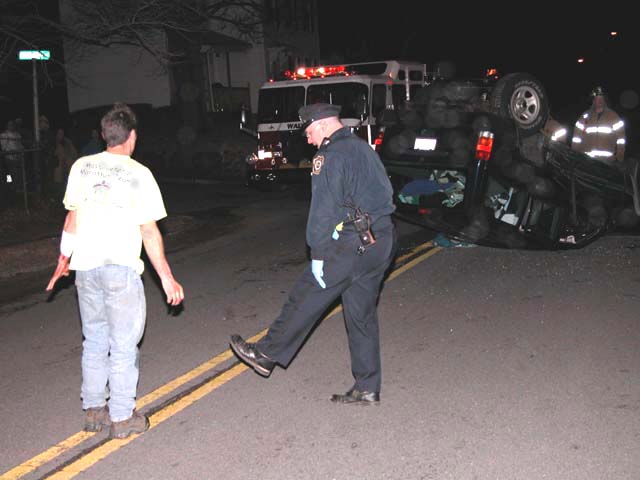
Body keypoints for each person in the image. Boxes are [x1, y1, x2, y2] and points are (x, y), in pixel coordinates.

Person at [230, 103, 397, 405]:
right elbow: (385, 192)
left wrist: (318, 252)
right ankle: (367, 387)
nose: (307, 140)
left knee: (305, 295)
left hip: (352, 244)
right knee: (361, 316)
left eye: (308, 132)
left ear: (320, 125)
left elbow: (322, 211)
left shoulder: (329, 156)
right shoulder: (363, 148)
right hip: (381, 239)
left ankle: (266, 353)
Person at [45, 103, 185, 439]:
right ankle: (122, 416)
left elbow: (71, 220)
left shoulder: (81, 167)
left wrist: (63, 261)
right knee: (123, 343)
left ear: (104, 135)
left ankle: (94, 410)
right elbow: (149, 231)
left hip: (86, 269)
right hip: (120, 270)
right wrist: (167, 277)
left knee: (94, 339)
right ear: (132, 136)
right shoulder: (140, 174)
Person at [571, 86, 626, 166]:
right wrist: (574, 154)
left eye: (602, 98)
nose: (600, 100)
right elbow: (576, 137)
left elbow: (621, 138)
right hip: (586, 159)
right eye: (597, 98)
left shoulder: (613, 116)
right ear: (593, 100)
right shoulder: (585, 116)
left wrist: (619, 156)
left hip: (606, 161)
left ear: (604, 100)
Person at [52, 127, 78, 198]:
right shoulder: (53, 143)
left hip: (68, 169)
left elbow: (74, 153)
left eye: (62, 133)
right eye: (59, 133)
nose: (60, 135)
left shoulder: (67, 142)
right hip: (58, 169)